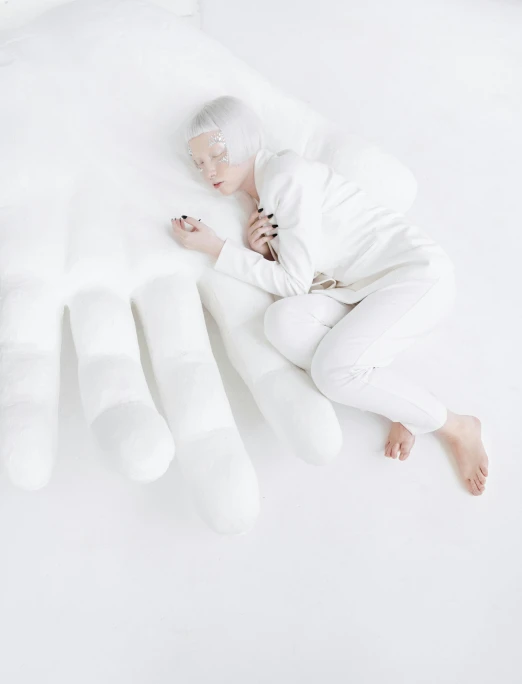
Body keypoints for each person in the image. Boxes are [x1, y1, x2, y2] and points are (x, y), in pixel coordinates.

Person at [171, 95, 489, 496]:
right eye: (200, 164)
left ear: (241, 140)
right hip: (363, 292)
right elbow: (304, 278)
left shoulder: (283, 174)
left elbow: (295, 282)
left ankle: (457, 425)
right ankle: (398, 405)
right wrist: (265, 253)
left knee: (332, 373)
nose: (209, 171)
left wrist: (217, 248)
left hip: (417, 277)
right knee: (282, 322)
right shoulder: (265, 195)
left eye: (217, 154)